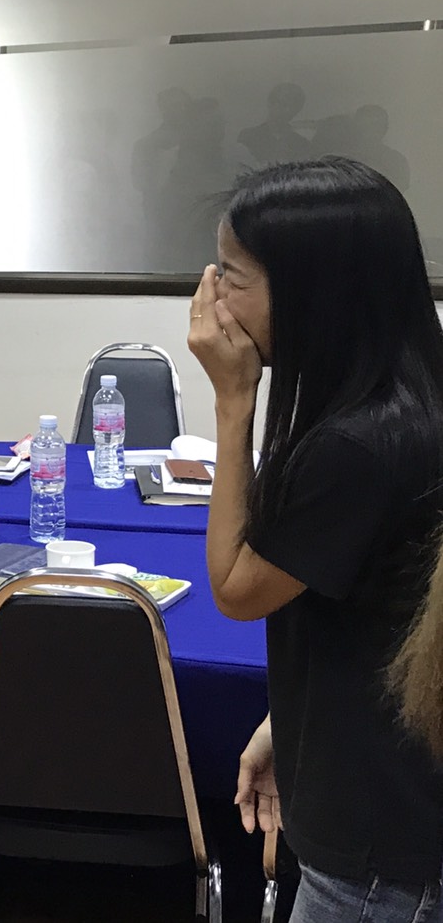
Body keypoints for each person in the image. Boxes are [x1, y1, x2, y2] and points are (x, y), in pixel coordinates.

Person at [187, 156, 443, 921]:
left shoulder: (359, 446)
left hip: (379, 843)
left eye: (232, 276)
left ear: (311, 293)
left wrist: (233, 401)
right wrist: (286, 724)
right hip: (384, 798)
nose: (211, 295)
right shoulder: (400, 402)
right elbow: (380, 616)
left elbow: (236, 588)